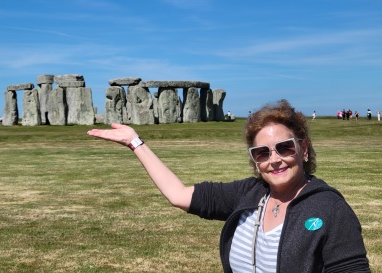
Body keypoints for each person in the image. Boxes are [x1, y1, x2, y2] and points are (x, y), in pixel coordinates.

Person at [87, 99, 370, 273]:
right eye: (262, 152)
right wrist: (135, 143)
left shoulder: (330, 209)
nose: (274, 160)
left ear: (303, 149)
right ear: (255, 160)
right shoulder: (248, 194)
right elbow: (178, 194)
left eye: (284, 147)